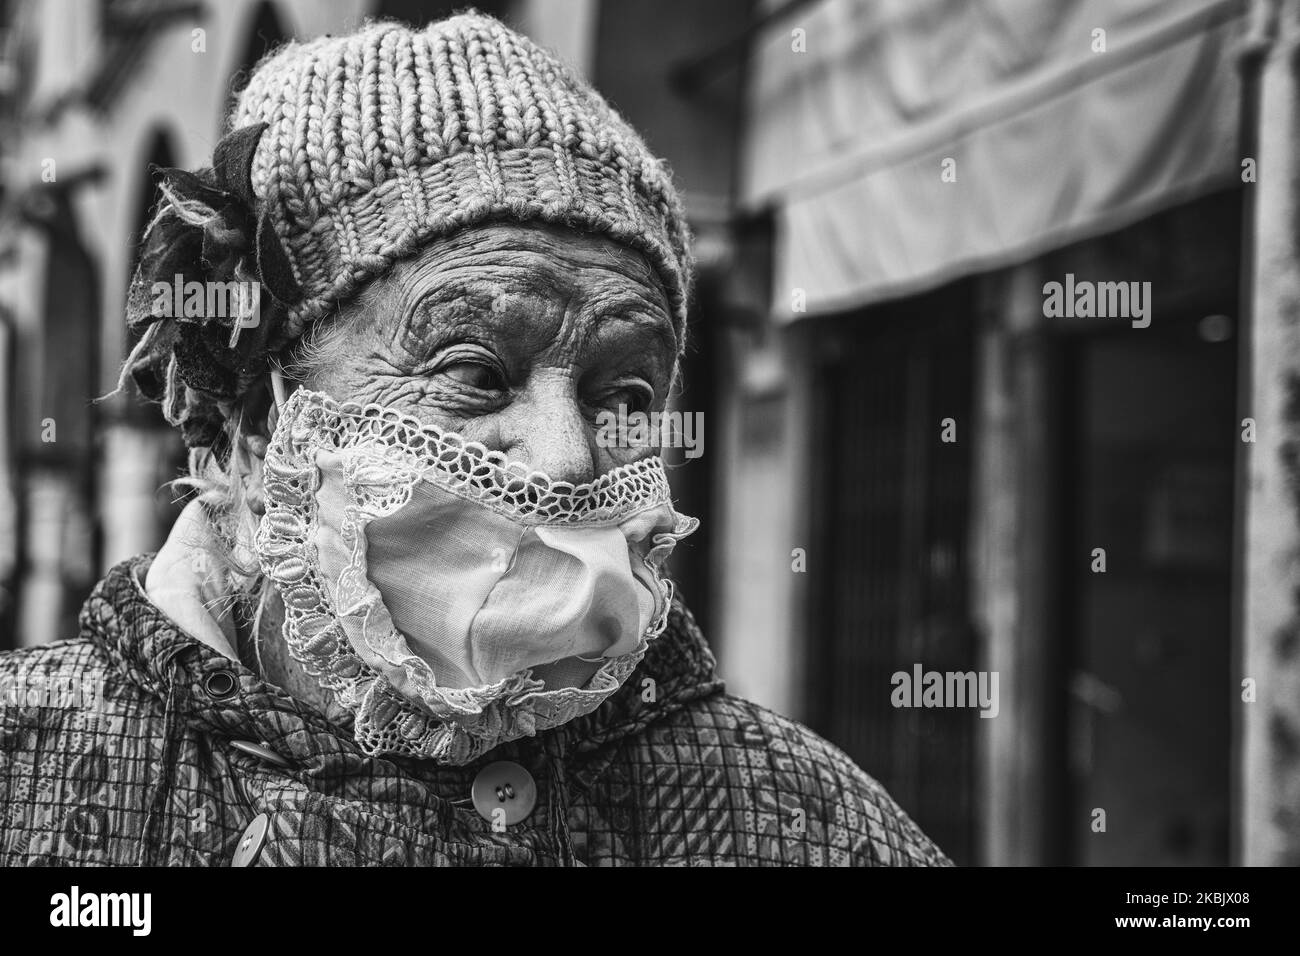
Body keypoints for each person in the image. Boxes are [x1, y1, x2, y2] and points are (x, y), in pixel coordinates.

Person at [0, 13, 948, 867]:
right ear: (253, 425)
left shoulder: (803, 821)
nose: (569, 456)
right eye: (476, 373)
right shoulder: (28, 772)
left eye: (623, 392)